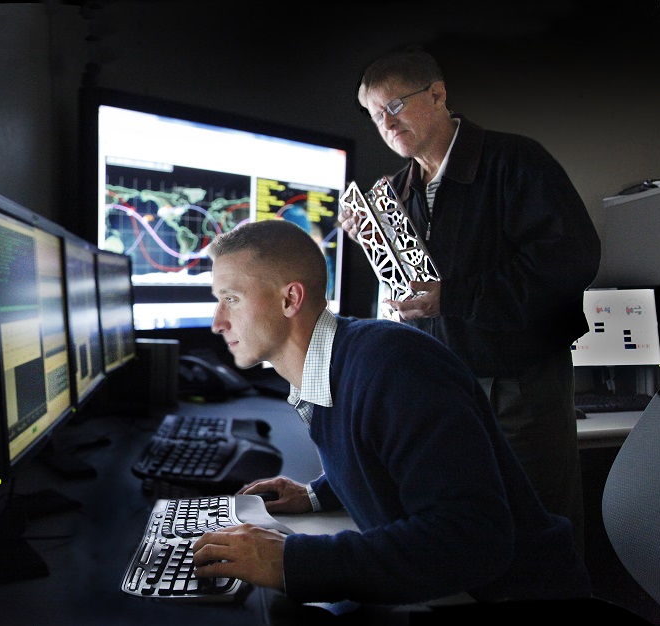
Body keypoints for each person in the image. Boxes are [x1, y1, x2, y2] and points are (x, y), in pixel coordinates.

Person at [190, 218, 590, 605]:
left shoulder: (394, 365)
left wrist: (291, 560)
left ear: (290, 299)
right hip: (461, 590)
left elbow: (472, 541)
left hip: (512, 598)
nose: (217, 322)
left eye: (231, 299)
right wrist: (317, 494)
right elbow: (399, 457)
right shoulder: (338, 364)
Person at [339, 47, 600, 550]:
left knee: (539, 531)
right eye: (376, 115)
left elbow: (571, 262)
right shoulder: (394, 190)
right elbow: (417, 285)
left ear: (437, 95)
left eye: (395, 106)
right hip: (442, 389)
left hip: (518, 387)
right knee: (470, 534)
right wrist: (374, 242)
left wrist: (453, 297)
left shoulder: (517, 160)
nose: (386, 124)